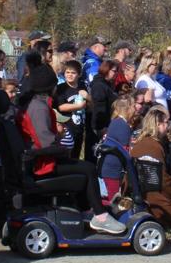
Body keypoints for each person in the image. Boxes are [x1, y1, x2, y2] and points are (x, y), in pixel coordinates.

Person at [19, 63, 125, 233]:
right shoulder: (39, 108)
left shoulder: (37, 104)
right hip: (42, 166)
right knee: (89, 169)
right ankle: (100, 216)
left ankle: (87, 210)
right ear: (49, 86)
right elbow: (45, 144)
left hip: (42, 161)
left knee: (84, 168)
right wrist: (62, 148)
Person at [130, 107, 171, 227]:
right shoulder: (153, 146)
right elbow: (163, 178)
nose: (168, 126)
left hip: (142, 191)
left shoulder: (142, 142)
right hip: (152, 193)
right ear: (158, 125)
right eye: (166, 123)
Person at [54, 60, 90, 159]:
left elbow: (91, 104)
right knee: (66, 156)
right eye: (67, 72)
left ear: (79, 74)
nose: (69, 75)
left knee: (76, 156)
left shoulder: (82, 86)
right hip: (66, 127)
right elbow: (61, 107)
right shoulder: (61, 88)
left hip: (79, 127)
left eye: (73, 73)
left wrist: (88, 97)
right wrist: (79, 106)